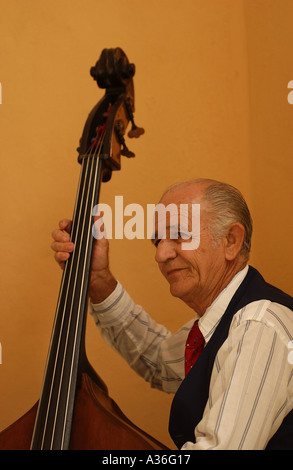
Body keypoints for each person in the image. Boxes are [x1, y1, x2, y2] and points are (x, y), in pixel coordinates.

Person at [51, 178, 293, 450]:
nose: (161, 254)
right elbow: (157, 360)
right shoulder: (216, 326)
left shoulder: (258, 326)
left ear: (231, 241)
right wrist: (98, 280)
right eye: (157, 241)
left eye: (179, 235)